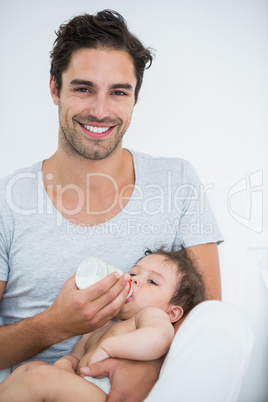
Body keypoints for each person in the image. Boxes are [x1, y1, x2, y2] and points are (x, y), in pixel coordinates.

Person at [0, 9, 253, 402]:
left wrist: (147, 365)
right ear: (54, 89)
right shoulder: (7, 200)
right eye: (83, 88)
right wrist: (56, 325)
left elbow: (206, 327)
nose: (101, 110)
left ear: (135, 97)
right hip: (37, 389)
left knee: (231, 323)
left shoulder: (177, 181)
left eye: (118, 91)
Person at [0, 247, 206, 401]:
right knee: (32, 368)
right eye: (133, 273)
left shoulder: (151, 316)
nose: (134, 280)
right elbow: (76, 356)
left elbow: (160, 339)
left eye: (152, 281)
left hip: (106, 394)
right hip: (82, 386)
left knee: (40, 378)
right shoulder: (102, 324)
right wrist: (65, 364)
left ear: (172, 312)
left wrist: (110, 347)